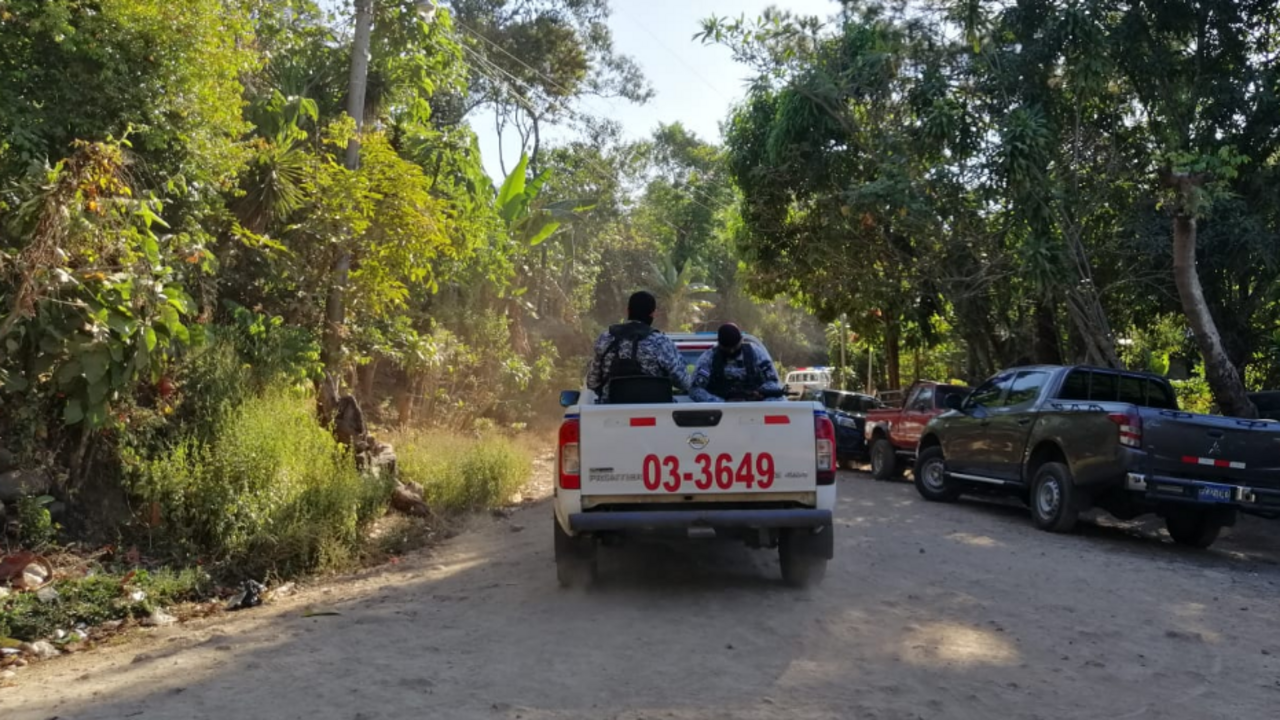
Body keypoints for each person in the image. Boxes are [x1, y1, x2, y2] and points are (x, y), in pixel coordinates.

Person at [585, 291, 691, 403]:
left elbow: (592, 382)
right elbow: (684, 382)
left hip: (610, 412)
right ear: (653, 314)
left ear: (628, 311)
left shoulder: (606, 338)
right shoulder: (661, 342)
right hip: (658, 411)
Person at [690, 323, 784, 402]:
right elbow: (695, 390)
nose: (731, 351)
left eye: (735, 347)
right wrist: (722, 402)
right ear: (719, 343)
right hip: (720, 413)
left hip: (755, 409)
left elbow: (772, 381)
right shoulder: (709, 358)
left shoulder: (755, 352)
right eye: (727, 348)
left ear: (741, 340)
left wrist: (760, 393)